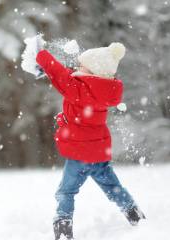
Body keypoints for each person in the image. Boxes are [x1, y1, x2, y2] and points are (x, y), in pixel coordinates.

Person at [31, 36, 145, 240]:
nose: (77, 69)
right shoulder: (104, 91)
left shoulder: (78, 89)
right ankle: (133, 212)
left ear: (92, 72)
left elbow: (60, 73)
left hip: (79, 155)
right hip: (99, 153)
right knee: (112, 187)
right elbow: (68, 82)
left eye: (81, 67)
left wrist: (40, 54)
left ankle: (63, 226)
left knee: (66, 192)